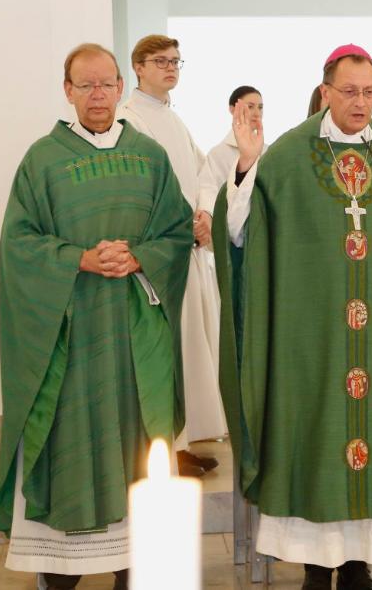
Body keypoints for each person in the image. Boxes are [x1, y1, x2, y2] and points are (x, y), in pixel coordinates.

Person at [212, 44, 372, 590]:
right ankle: (314, 567)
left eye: (369, 92)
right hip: (309, 339)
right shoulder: (285, 156)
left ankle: (357, 567)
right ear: (325, 91)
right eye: (349, 91)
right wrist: (246, 167)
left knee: (371, 442)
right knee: (313, 440)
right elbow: (239, 235)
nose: (360, 102)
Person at [0, 43, 193, 590]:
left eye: (107, 84)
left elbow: (175, 233)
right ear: (68, 91)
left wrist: (141, 256)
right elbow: (18, 244)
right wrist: (77, 258)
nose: (99, 94)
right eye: (87, 86)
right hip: (71, 341)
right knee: (69, 446)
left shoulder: (150, 155)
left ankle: (135, 565)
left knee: (135, 446)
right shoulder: (43, 160)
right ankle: (60, 573)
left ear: (120, 88)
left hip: (133, 343)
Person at [119, 34, 225, 475]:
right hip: (160, 256)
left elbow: (203, 172)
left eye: (177, 61)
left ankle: (180, 441)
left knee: (191, 347)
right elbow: (145, 187)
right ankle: (162, 446)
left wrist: (204, 214)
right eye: (161, 61)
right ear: (138, 67)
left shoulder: (173, 120)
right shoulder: (130, 120)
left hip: (188, 248)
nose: (171, 68)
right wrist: (185, 223)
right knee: (167, 352)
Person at [199, 86, 266, 216]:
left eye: (260, 107)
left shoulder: (269, 151)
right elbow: (208, 191)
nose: (257, 112)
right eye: (250, 106)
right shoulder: (218, 154)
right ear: (232, 109)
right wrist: (210, 217)